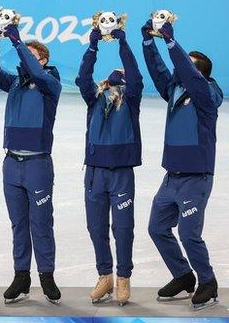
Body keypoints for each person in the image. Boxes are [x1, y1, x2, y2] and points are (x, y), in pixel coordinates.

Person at [142, 20, 223, 310]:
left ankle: (208, 282)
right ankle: (184, 276)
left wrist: (172, 42)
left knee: (189, 234)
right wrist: (149, 42)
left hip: (195, 178)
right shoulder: (175, 90)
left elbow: (188, 74)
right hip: (171, 177)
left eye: (187, 65)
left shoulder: (207, 95)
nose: (180, 69)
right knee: (157, 228)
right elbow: (159, 71)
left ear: (198, 72)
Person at [0, 23, 62, 305]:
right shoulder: (16, 82)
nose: (25, 60)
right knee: (18, 224)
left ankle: (47, 276)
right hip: (11, 164)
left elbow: (38, 74)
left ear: (43, 60)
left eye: (31, 55)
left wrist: (18, 43)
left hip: (38, 165)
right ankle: (21, 276)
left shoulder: (49, 84)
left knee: (41, 224)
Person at [75, 28, 143, 306]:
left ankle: (124, 278)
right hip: (94, 173)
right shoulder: (94, 96)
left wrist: (123, 43)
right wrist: (93, 46)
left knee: (123, 228)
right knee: (96, 227)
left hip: (122, 173)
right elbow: (83, 77)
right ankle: (105, 276)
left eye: (122, 73)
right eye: (115, 73)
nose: (118, 76)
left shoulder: (132, 99)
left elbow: (135, 74)